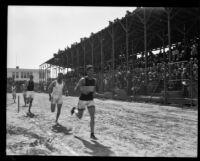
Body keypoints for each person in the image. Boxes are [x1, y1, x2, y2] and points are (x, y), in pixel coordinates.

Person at [71, 65, 103, 140]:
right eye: (90, 71)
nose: (92, 72)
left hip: (90, 100)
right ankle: (74, 110)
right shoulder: (83, 79)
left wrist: (101, 95)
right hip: (82, 100)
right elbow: (80, 89)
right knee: (79, 116)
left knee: (92, 117)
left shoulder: (94, 80)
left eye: (92, 70)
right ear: (87, 71)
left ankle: (92, 134)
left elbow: (94, 92)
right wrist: (79, 88)